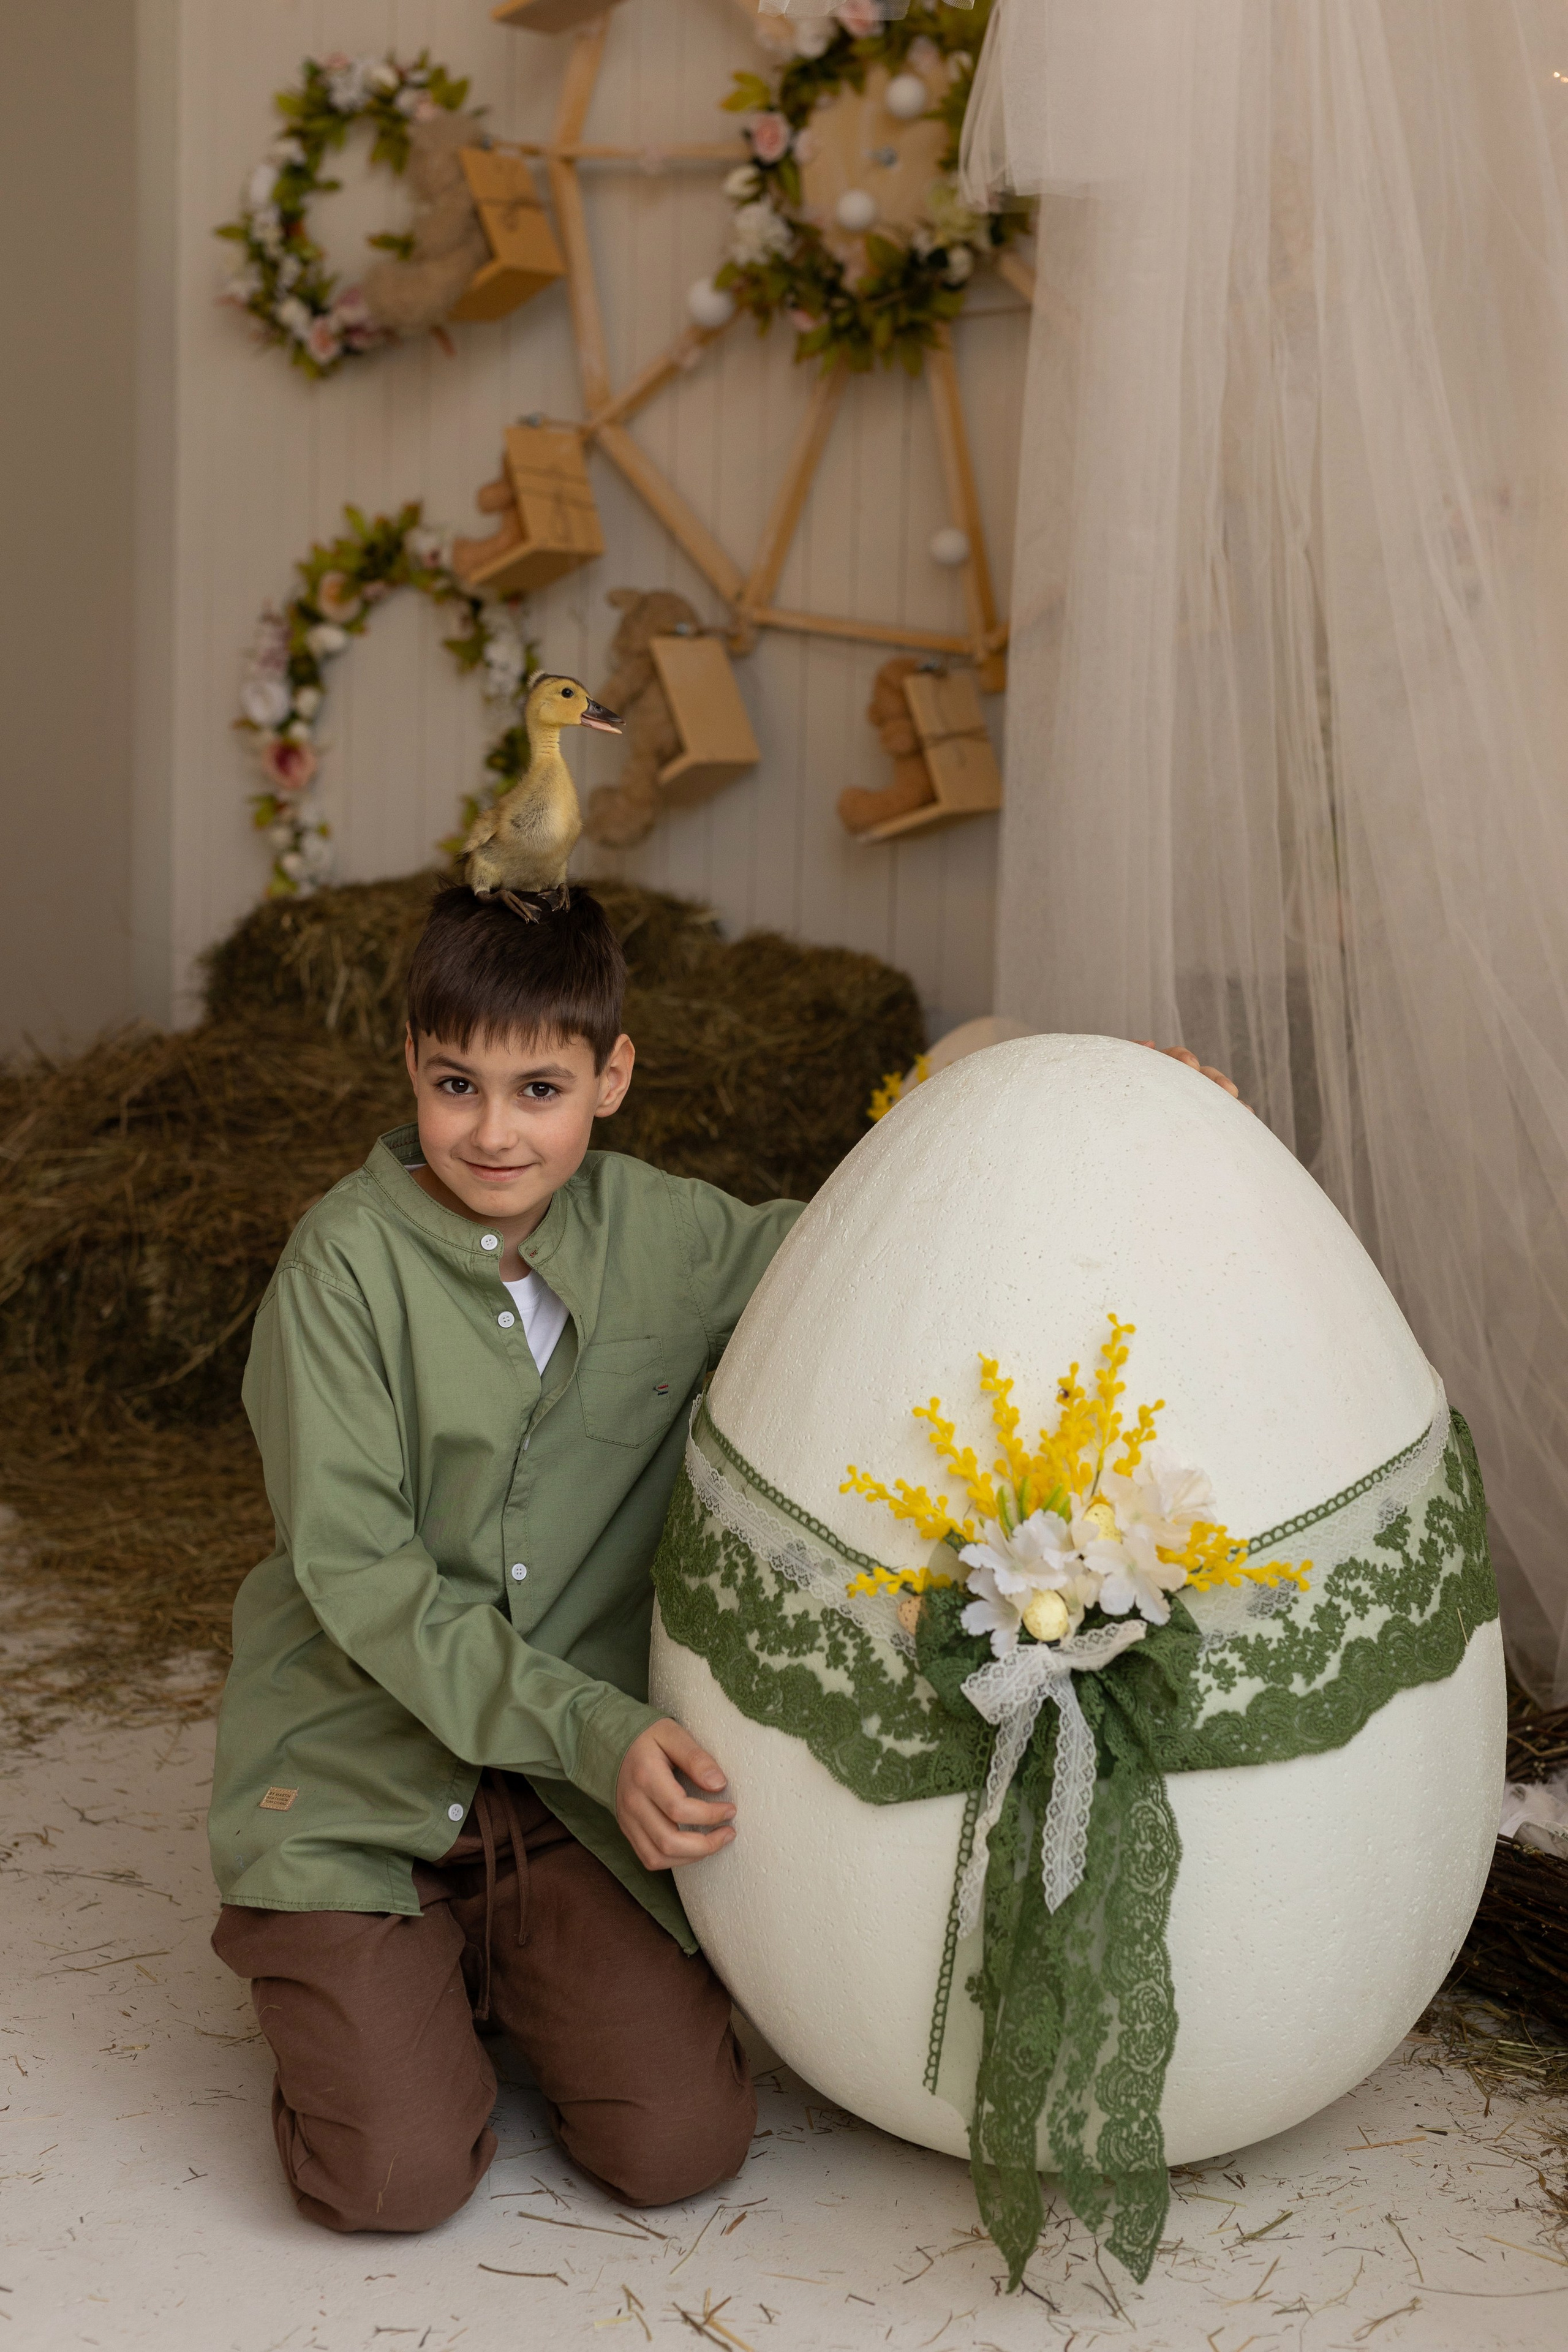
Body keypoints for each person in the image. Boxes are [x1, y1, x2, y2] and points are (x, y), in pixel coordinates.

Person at [208, 882, 1238, 2235]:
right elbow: (365, 1585)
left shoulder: (671, 1240)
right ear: (408, 1057)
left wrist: (1121, 1121)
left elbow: (894, 1239)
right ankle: (352, 1964)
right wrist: (596, 1732)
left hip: (561, 1810)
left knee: (680, 2147)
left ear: (612, 1076)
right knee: (394, 2180)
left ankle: (466, 1971)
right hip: (359, 1781)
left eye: (539, 1087)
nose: (493, 1129)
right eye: (456, 1082)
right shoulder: (337, 1274)